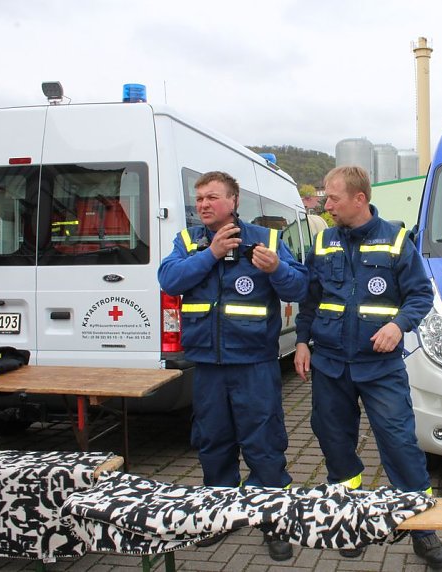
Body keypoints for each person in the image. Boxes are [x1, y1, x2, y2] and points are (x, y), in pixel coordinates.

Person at [294, 166, 442, 569]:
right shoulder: (324, 241)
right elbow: (311, 300)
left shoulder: (398, 241)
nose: (326, 206)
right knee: (335, 444)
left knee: (400, 443)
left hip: (380, 367)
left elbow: (420, 295)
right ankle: (349, 524)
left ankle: (422, 530)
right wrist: (300, 341)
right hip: (330, 364)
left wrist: (399, 326)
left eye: (333, 198)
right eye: (325, 199)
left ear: (359, 199)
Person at [157, 170, 307, 560]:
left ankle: (272, 520)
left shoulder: (267, 240)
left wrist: (277, 269)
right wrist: (211, 254)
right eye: (200, 198)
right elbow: (169, 280)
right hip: (207, 365)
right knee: (213, 442)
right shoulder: (189, 241)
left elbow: (299, 288)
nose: (204, 204)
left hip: (254, 363)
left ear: (233, 201)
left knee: (264, 442)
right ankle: (219, 516)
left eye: (212, 197)